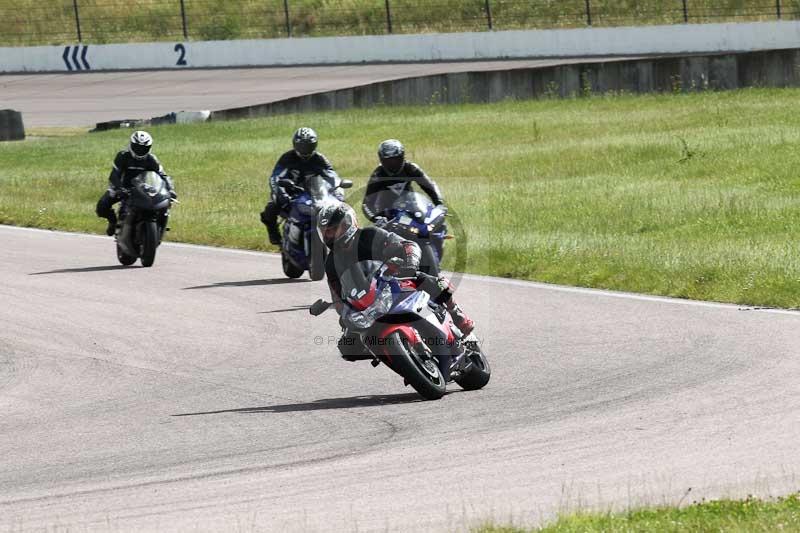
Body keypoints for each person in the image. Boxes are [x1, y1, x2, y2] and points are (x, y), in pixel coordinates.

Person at [317, 202, 474, 362]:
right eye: (327, 232)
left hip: (394, 280)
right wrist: (343, 310)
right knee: (347, 348)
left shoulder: (369, 235)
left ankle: (456, 312)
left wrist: (410, 263)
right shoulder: (331, 262)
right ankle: (388, 353)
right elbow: (336, 292)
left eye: (335, 229)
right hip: (368, 301)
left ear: (348, 223)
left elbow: (407, 245)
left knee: (430, 281)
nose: (331, 235)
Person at [260, 127, 339, 245]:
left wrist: (337, 192)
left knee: (338, 211)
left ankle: (338, 240)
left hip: (314, 194)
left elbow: (332, 176)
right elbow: (275, 178)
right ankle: (273, 231)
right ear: (295, 145)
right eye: (302, 146)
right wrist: (282, 193)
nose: (305, 150)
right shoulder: (287, 158)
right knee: (272, 207)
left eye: (308, 146)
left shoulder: (319, 159)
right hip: (290, 193)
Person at [95, 130, 176, 236]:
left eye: (143, 148)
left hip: (143, 188)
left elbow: (163, 175)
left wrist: (170, 189)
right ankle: (113, 221)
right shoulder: (123, 156)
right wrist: (120, 188)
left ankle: (159, 228)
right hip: (123, 187)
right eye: (137, 147)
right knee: (102, 206)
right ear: (131, 145)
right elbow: (113, 175)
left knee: (163, 204)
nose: (140, 150)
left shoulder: (151, 159)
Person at [361, 139, 446, 226]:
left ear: (403, 157)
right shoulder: (378, 175)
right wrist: (377, 219)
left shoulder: (410, 168)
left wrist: (439, 204)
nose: (393, 164)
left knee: (433, 225)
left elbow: (429, 185)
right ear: (382, 160)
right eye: (389, 161)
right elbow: (366, 204)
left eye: (396, 160)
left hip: (411, 206)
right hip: (387, 215)